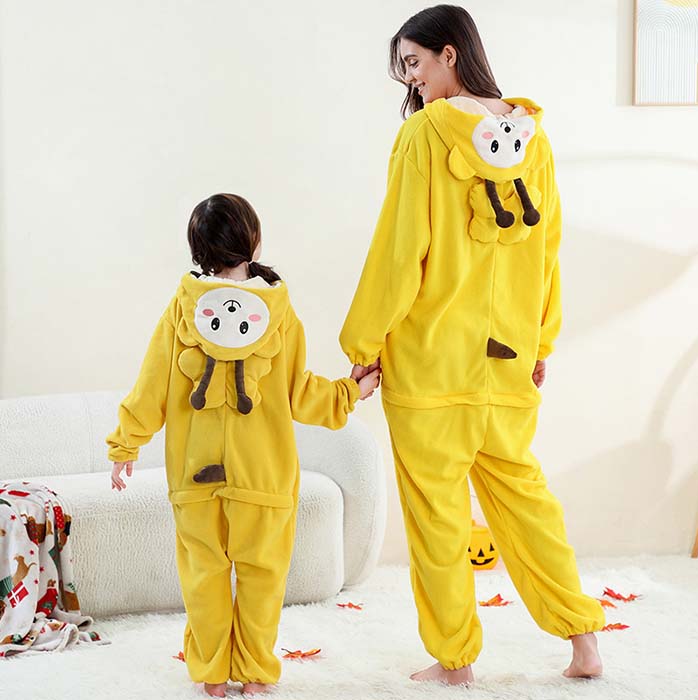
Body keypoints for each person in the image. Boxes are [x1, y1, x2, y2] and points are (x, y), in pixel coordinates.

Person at [340, 4, 605, 686]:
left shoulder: (426, 135)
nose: (411, 79)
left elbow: (400, 251)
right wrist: (541, 340)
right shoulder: (533, 138)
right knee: (526, 502)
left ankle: (455, 661)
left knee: (437, 516)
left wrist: (364, 341)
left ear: (449, 53)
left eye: (414, 63)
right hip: (508, 358)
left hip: (430, 364)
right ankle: (583, 642)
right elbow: (548, 251)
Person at [106, 193, 380, 697]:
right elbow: (300, 394)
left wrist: (126, 444)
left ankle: (212, 674)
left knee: (204, 575)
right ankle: (254, 674)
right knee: (262, 575)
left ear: (197, 249)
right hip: (265, 478)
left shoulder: (183, 309)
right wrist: (350, 392)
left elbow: (151, 385)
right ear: (254, 241)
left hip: (195, 476)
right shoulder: (277, 312)